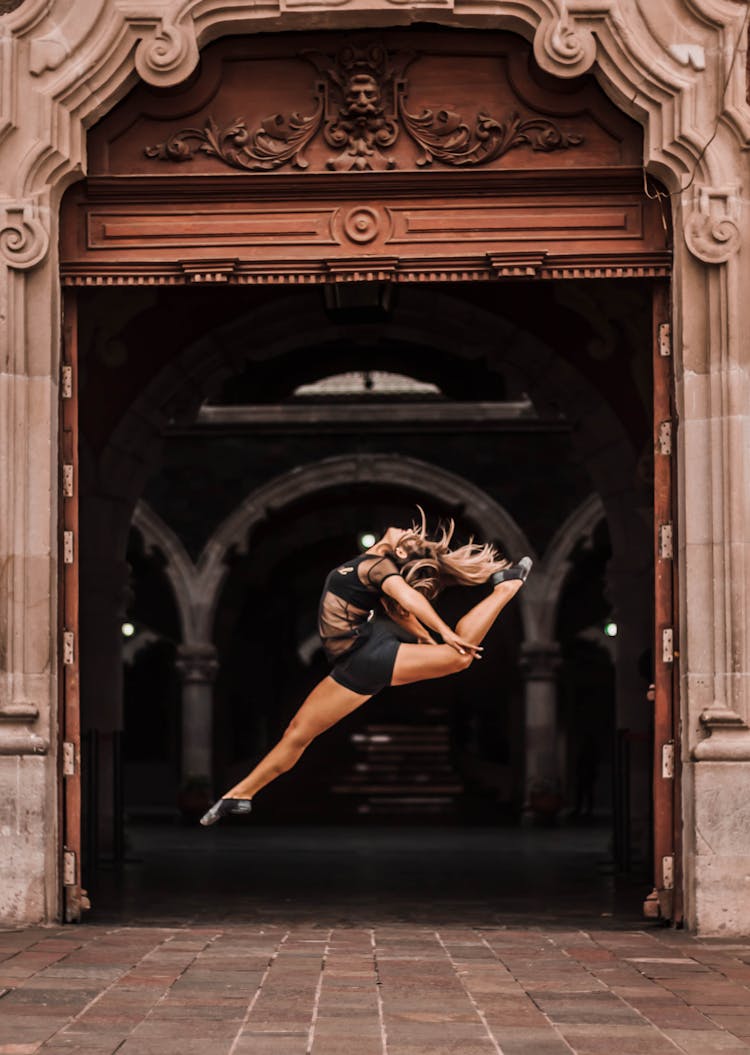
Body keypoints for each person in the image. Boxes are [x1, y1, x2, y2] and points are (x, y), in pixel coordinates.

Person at [200, 509, 531, 825]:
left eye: (407, 534)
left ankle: (505, 587)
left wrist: (444, 635)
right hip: (350, 666)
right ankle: (240, 794)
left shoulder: (379, 566)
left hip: (366, 654)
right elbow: (404, 614)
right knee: (297, 735)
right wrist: (431, 644)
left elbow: (409, 600)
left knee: (459, 657)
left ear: (399, 549)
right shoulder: (368, 565)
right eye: (406, 532)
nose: (403, 530)